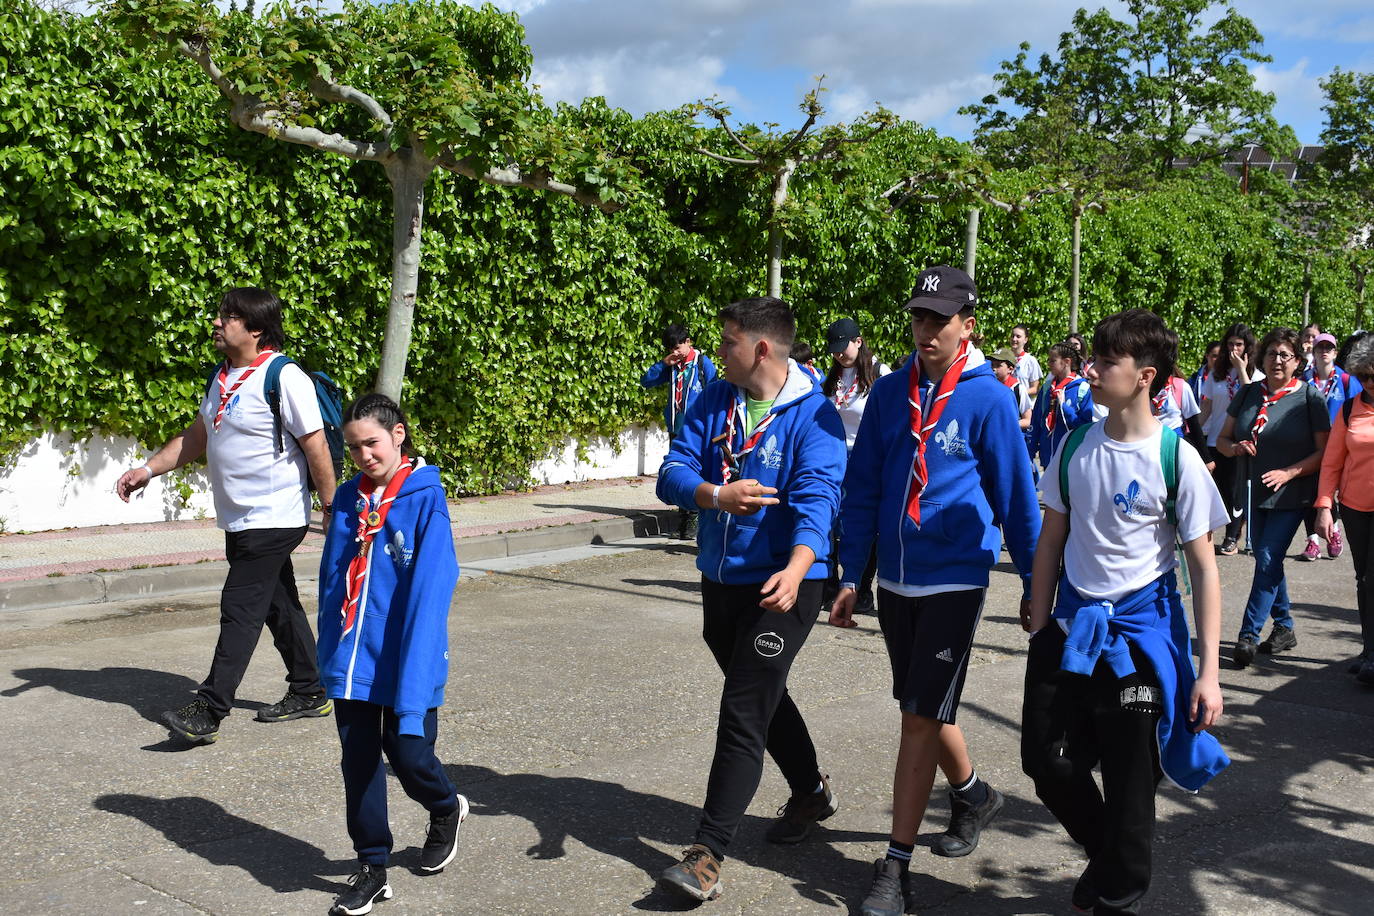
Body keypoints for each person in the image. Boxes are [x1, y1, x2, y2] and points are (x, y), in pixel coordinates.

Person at [829, 267, 1041, 916]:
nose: (925, 330)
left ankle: (895, 869)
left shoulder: (989, 398)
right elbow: (862, 488)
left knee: (918, 716)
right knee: (923, 704)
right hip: (893, 580)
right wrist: (847, 576)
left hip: (955, 578)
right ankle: (975, 795)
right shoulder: (891, 394)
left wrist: (1037, 582)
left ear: (967, 326)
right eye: (918, 318)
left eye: (939, 320)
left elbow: (1017, 501)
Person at [1023, 308, 1228, 916]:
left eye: (1108, 362)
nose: (1093, 370)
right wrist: (1038, 619)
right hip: (1071, 630)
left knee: (1132, 782)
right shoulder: (1074, 445)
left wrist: (1209, 673)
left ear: (1145, 376)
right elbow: (1051, 540)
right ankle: (1107, 856)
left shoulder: (1177, 458)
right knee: (1046, 761)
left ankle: (1118, 893)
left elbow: (1204, 569)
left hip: (1143, 639)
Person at [654, 296, 846, 902]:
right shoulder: (714, 399)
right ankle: (811, 793)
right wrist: (714, 495)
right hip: (722, 580)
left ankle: (708, 853)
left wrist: (795, 570)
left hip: (787, 582)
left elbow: (819, 499)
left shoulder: (814, 415)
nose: (719, 350)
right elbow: (672, 471)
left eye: (728, 340)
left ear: (762, 348)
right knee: (761, 694)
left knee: (742, 707)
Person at [115, 287, 337, 745]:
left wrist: (331, 507)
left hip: (274, 516)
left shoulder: (284, 376)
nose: (217, 323)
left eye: (228, 317)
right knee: (277, 604)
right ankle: (310, 690)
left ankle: (210, 710)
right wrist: (147, 469)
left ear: (255, 328)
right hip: (239, 516)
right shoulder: (223, 376)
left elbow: (315, 445)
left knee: (239, 608)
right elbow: (197, 436)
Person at [317, 394, 466, 916]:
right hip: (353, 660)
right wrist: (327, 656)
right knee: (358, 763)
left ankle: (446, 807)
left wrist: (415, 676)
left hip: (405, 658)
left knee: (409, 756)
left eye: (372, 443)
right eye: (353, 447)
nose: (363, 456)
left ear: (398, 435)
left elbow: (431, 591)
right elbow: (332, 581)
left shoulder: (425, 499)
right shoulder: (348, 499)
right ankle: (372, 866)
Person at [1215, 327, 1330, 668]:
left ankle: (1247, 635)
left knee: (1267, 558)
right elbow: (1222, 439)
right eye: (1271, 354)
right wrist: (1235, 448)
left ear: (1297, 361)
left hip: (1292, 494)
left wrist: (1289, 472)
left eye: (1285, 355)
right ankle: (1284, 627)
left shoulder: (1310, 397)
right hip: (1252, 491)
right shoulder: (1249, 393)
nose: (1277, 360)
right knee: (1269, 561)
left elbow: (1324, 453)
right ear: (1261, 358)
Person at [822, 317, 892, 614]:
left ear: (859, 342)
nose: (839, 355)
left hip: (866, 459)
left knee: (862, 525)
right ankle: (829, 586)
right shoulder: (834, 376)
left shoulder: (880, 374)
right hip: (834, 457)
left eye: (844, 348)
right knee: (830, 523)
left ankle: (862, 588)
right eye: (834, 350)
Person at [1315, 334, 1374, 681]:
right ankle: (1368, 649)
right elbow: (1332, 461)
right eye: (1364, 376)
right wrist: (1325, 506)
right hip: (1354, 507)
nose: (1369, 383)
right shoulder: (1351, 408)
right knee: (1364, 578)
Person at [642, 323, 718, 539]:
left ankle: (693, 522)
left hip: (697, 429)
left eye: (678, 347)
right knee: (678, 471)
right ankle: (684, 521)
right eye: (671, 349)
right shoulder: (672, 366)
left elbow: (714, 391)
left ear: (688, 342)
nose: (675, 352)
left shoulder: (703, 364)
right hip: (676, 427)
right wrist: (663, 364)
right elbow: (646, 381)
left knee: (694, 472)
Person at [1198, 323, 1261, 556]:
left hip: (1240, 442)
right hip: (1216, 439)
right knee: (1220, 490)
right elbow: (1207, 406)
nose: (1234, 348)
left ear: (1247, 347)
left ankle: (1232, 536)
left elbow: (1251, 398)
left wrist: (1242, 369)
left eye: (1239, 344)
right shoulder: (1216, 375)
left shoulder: (1257, 374)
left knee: (1236, 492)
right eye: (1231, 344)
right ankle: (1223, 530)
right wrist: (1194, 431)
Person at [1300, 332, 1349, 560]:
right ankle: (1312, 541)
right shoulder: (1303, 378)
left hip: (1337, 445)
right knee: (1309, 492)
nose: (1324, 351)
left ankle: (1334, 531)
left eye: (1329, 348)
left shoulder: (1346, 380)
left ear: (1336, 353)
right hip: (1309, 443)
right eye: (1320, 348)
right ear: (1314, 351)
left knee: (1328, 491)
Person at [1029, 341, 1095, 471]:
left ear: (1066, 362)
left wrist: (1064, 407)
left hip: (1071, 459)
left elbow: (1085, 427)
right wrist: (1029, 453)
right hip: (1048, 459)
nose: (1048, 364)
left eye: (1053, 361)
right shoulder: (1047, 388)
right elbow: (1036, 421)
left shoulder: (1082, 389)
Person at [991, 347, 1033, 432]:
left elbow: (1027, 420)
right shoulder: (989, 386)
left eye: (998, 365)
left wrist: (1006, 425)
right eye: (992, 364)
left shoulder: (1018, 389)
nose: (994, 368)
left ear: (1010, 369)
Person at [1010, 323, 1043, 398]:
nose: (1014, 339)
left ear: (1025, 340)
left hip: (1025, 405)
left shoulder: (1030, 361)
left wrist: (1018, 393)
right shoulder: (1004, 358)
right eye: (1012, 336)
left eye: (1018, 336)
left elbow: (1035, 389)